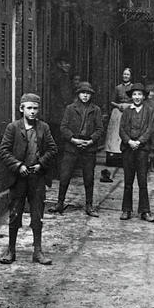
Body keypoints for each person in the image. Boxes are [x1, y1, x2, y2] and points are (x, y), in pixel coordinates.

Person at [0, 93, 58, 265]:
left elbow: (52, 149)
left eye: (35, 108)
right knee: (15, 214)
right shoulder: (13, 128)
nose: (32, 112)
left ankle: (38, 251)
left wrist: (41, 164)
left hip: (37, 177)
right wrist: (18, 166)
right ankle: (11, 250)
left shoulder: (43, 128)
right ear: (21, 109)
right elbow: (4, 151)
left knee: (37, 214)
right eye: (29, 108)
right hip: (19, 179)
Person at [52, 81, 104, 217]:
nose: (85, 96)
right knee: (65, 175)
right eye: (83, 93)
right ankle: (60, 203)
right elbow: (63, 127)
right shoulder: (70, 108)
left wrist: (91, 140)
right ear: (78, 94)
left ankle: (89, 205)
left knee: (89, 177)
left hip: (89, 147)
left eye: (88, 94)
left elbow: (99, 129)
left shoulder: (96, 110)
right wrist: (73, 140)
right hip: (72, 146)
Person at [119, 82, 154, 222]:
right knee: (128, 180)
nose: (137, 97)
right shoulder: (127, 111)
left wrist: (139, 142)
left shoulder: (149, 111)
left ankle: (144, 211)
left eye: (140, 94)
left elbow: (150, 129)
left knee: (142, 180)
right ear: (131, 96)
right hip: (128, 149)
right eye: (134, 94)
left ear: (144, 96)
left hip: (142, 150)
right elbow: (122, 129)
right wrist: (129, 141)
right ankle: (126, 209)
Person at [47, 50, 74, 184]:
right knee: (60, 145)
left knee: (54, 144)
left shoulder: (55, 76)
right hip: (60, 116)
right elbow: (66, 97)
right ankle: (58, 172)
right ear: (59, 64)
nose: (68, 65)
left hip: (54, 116)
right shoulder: (63, 77)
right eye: (65, 63)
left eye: (68, 63)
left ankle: (54, 172)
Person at [104, 67, 133, 167]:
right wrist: (118, 105)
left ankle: (126, 157)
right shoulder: (117, 88)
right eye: (124, 74)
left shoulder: (133, 88)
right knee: (115, 134)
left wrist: (127, 106)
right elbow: (111, 101)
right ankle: (114, 155)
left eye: (127, 74)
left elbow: (136, 101)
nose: (125, 76)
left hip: (129, 111)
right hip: (118, 112)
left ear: (130, 76)